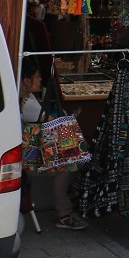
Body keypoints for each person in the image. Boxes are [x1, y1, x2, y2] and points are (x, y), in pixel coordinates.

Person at [19, 59, 88, 231]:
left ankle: (65, 207)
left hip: (29, 153)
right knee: (64, 168)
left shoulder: (24, 98)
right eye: (37, 77)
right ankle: (64, 214)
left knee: (66, 164)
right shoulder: (28, 104)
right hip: (29, 160)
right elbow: (52, 122)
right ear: (27, 81)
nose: (40, 80)